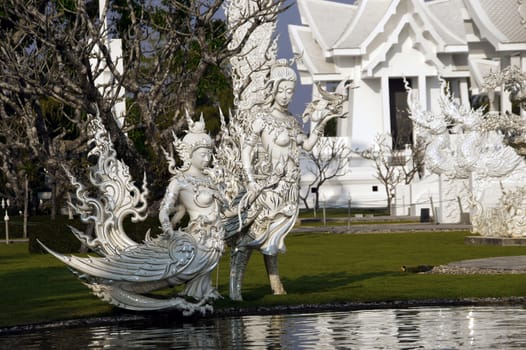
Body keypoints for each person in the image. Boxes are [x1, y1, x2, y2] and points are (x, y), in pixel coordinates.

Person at [228, 59, 339, 301]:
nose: (286, 95)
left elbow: (307, 145)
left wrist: (320, 123)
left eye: (291, 91)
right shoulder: (263, 118)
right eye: (282, 90)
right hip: (267, 188)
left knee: (273, 239)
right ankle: (234, 290)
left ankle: (276, 286)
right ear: (273, 89)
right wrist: (250, 180)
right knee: (250, 239)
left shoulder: (291, 121)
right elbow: (245, 150)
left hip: (288, 191)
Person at [159, 116, 224, 300]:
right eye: (202, 154)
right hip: (198, 238)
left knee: (205, 274)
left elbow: (224, 212)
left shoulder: (210, 180)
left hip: (215, 238)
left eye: (209, 154)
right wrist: (167, 228)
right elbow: (164, 209)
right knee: (185, 271)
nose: (207, 158)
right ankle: (195, 295)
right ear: (189, 154)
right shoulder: (180, 181)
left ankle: (202, 293)